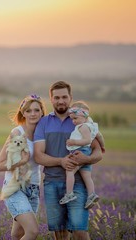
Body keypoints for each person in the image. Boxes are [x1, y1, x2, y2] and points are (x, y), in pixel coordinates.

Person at [34, 81, 103, 240]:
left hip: (78, 183)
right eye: (56, 97)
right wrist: (61, 162)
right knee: (60, 234)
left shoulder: (81, 120)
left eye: (64, 97)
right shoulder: (43, 122)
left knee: (80, 231)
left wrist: (86, 159)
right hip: (52, 183)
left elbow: (98, 152)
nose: (61, 101)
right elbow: (38, 156)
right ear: (51, 99)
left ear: (70, 97)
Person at [0, 94, 46, 240]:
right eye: (28, 111)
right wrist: (21, 162)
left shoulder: (42, 133)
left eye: (36, 110)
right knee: (32, 231)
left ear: (42, 112)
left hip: (34, 188)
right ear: (23, 113)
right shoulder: (17, 133)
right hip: (15, 188)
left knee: (18, 234)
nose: (33, 114)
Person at [59, 100, 106, 209]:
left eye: (75, 118)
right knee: (87, 176)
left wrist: (74, 142)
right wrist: (103, 146)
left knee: (70, 170)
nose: (73, 121)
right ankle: (91, 194)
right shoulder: (92, 126)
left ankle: (69, 193)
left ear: (84, 116)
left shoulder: (83, 127)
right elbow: (100, 137)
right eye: (72, 119)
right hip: (87, 152)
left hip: (81, 151)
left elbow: (87, 140)